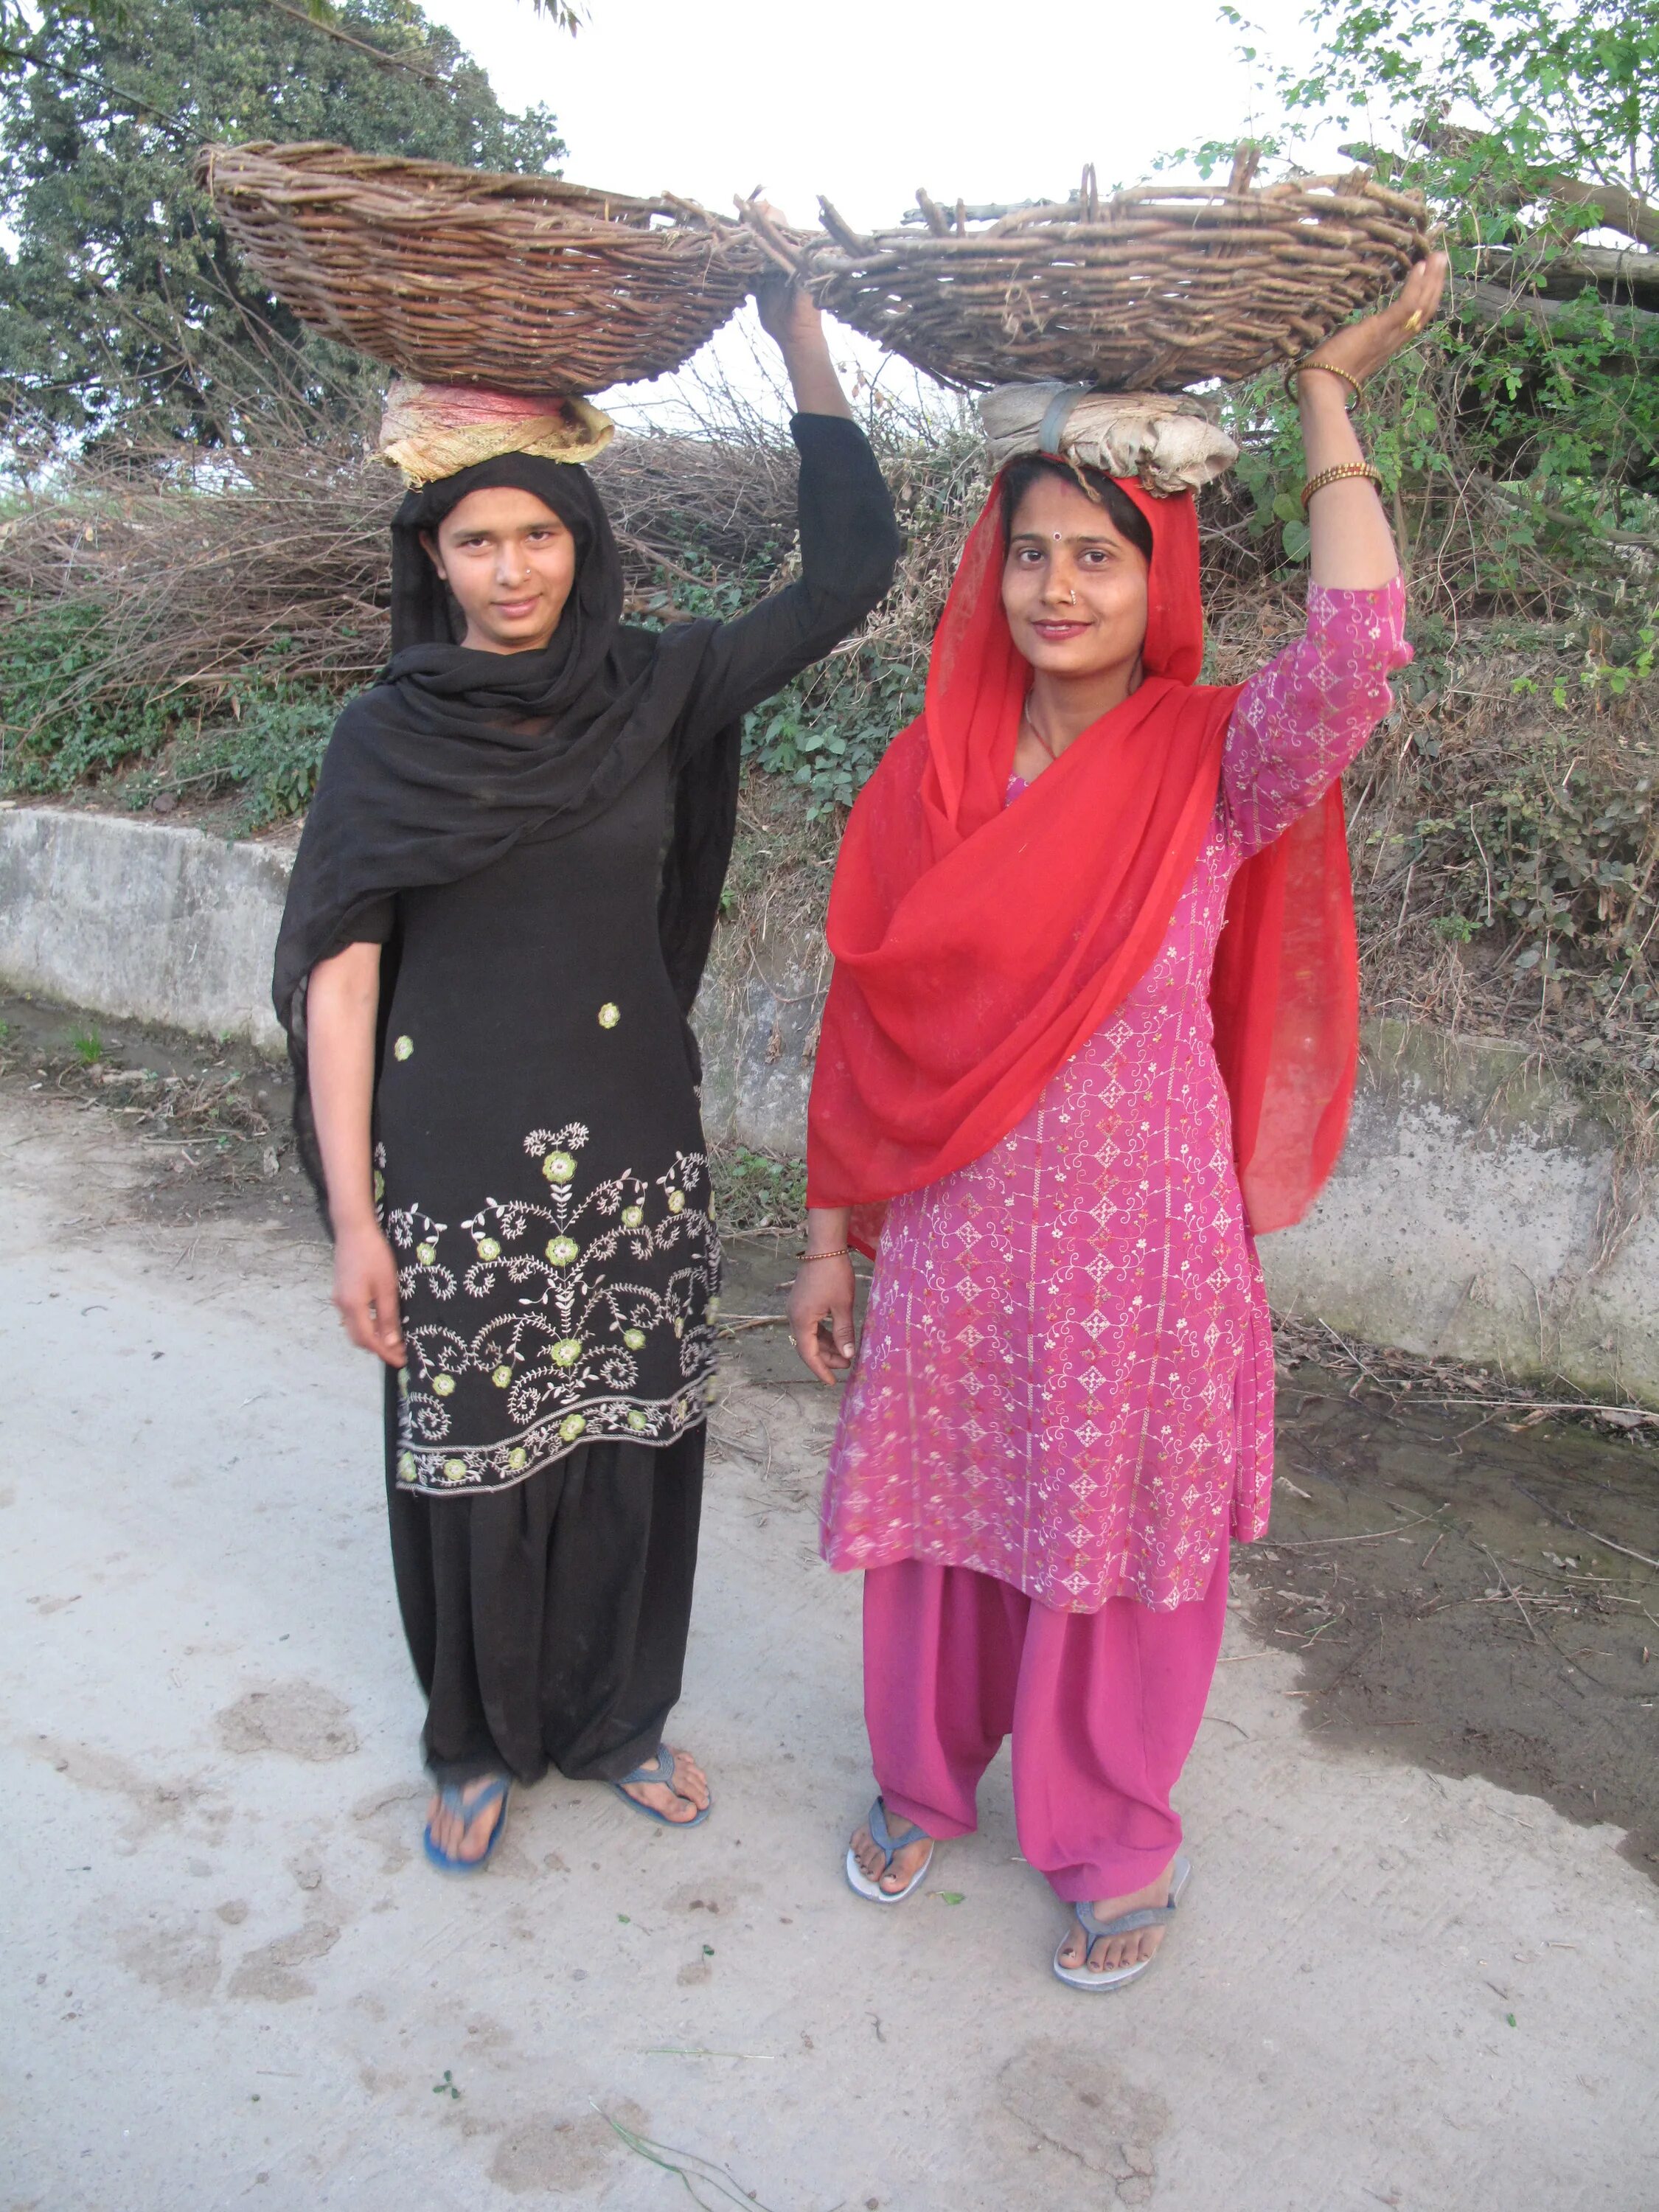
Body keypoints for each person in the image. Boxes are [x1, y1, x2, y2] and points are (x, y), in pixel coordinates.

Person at [788, 254, 1449, 1984]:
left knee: (1111, 1537)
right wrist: (826, 1232)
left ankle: (1105, 1837)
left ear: (1152, 575)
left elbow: (1363, 643)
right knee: (941, 1518)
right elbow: (866, 1018)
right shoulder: (928, 780)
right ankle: (924, 1784)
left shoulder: (1220, 756)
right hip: (951, 1224)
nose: (1059, 586)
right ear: (986, 572)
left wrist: (1326, 398)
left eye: (1097, 553)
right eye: (1031, 553)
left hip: (1144, 1236)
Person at [275, 280, 900, 1870]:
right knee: (474, 1447)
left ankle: (620, 1715)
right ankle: (473, 1735)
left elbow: (849, 575)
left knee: (629, 1424)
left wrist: (803, 337)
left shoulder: (659, 688)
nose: (511, 572)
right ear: (431, 562)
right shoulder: (383, 740)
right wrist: (354, 1218)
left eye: (537, 538)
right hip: (454, 1142)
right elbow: (338, 987)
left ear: (583, 540)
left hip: (631, 1131)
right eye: (475, 543)